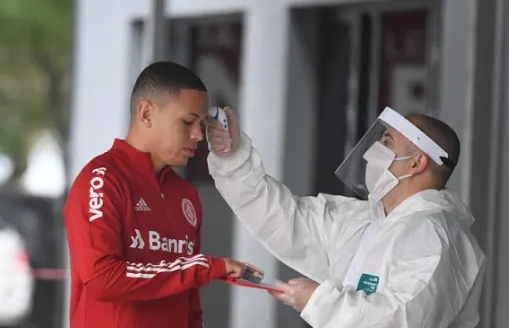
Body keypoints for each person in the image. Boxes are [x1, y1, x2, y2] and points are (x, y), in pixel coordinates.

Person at [206, 106, 486, 328]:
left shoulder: (434, 236)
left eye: (387, 141)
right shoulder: (365, 221)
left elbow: (402, 318)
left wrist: (319, 301)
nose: (372, 152)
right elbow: (282, 218)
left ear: (416, 162)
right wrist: (233, 159)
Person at [63, 61, 248, 328]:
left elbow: (189, 302)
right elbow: (103, 279)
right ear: (147, 114)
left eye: (203, 125)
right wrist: (204, 267)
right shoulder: (102, 179)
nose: (198, 135)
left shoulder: (186, 195)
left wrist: (198, 271)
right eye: (187, 122)